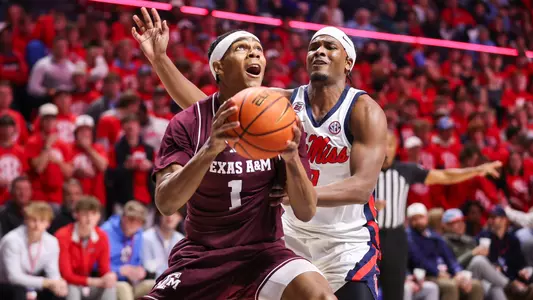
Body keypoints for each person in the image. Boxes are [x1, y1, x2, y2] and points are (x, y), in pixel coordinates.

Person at [133, 8, 387, 299]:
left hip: (344, 239)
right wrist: (160, 61)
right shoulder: (284, 105)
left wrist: (299, 193)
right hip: (290, 234)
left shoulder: (363, 110)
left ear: (349, 62)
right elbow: (219, 108)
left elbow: (361, 187)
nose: (319, 51)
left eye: (330, 46)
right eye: (314, 46)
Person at [375, 132, 501, 300]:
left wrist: (476, 170)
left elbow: (445, 176)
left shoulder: (406, 170)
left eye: (389, 145)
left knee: (394, 293)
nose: (385, 149)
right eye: (381, 144)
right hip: (368, 236)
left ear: (396, 147)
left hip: (395, 238)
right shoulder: (363, 170)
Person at [406, 203, 484, 300]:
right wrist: (437, 272)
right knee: (450, 286)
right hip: (425, 275)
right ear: (409, 221)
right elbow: (419, 260)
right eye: (414, 219)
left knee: (475, 285)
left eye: (420, 217)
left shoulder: (433, 235)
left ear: (426, 217)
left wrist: (458, 273)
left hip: (443, 273)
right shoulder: (408, 237)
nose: (418, 221)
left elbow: (450, 258)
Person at [0, 201, 68, 300]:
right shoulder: (12, 240)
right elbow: (14, 277)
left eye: (42, 221)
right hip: (7, 285)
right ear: (26, 220)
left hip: (33, 283)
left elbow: (53, 273)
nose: (37, 225)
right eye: (33, 220)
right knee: (18, 290)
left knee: (59, 292)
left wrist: (58, 285)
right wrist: (46, 282)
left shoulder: (52, 242)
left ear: (48, 223)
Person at [55, 196, 117, 300]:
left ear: (99, 216)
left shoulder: (102, 236)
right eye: (85, 214)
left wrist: (109, 276)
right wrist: (93, 281)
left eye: (93, 214)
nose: (89, 219)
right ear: (76, 214)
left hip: (88, 284)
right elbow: (66, 275)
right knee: (72, 288)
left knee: (110, 286)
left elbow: (104, 269)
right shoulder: (63, 235)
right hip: (65, 284)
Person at [101, 200, 154, 300]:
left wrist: (139, 271)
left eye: (139, 221)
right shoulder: (106, 231)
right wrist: (119, 270)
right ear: (123, 217)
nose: (134, 224)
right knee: (124, 289)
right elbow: (95, 265)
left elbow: (137, 261)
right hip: (110, 281)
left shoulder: (138, 234)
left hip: (131, 282)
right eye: (131, 219)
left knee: (155, 285)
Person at [142, 212, 184, 278]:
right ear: (160, 215)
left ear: (180, 217)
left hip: (173, 280)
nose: (170, 217)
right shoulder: (147, 237)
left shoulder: (181, 239)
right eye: (167, 213)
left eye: (175, 213)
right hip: (153, 281)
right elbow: (147, 266)